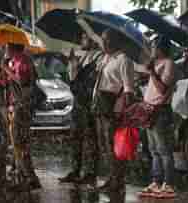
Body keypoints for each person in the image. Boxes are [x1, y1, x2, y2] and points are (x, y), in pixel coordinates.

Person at [0, 43, 41, 191]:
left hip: (21, 106)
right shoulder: (12, 61)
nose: (4, 49)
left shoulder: (23, 60)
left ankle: (30, 178)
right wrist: (2, 74)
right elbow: (6, 83)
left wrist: (6, 69)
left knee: (20, 142)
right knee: (17, 143)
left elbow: (21, 80)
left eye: (6, 46)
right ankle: (25, 175)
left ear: (13, 48)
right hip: (14, 105)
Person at [92, 28, 135, 195]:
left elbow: (128, 90)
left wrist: (123, 112)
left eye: (108, 39)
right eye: (103, 39)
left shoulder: (124, 60)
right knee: (105, 146)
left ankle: (118, 181)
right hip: (100, 107)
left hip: (113, 109)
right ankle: (112, 178)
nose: (104, 42)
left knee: (114, 147)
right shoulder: (105, 58)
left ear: (116, 41)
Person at [58, 32, 102, 185]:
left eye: (85, 37)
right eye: (82, 37)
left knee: (90, 140)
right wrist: (71, 65)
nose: (82, 40)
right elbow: (73, 80)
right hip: (77, 103)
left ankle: (90, 173)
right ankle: (75, 170)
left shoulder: (98, 58)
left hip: (88, 104)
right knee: (75, 138)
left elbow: (89, 84)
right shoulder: (83, 56)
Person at [137, 36, 177, 198]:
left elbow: (162, 89)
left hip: (160, 111)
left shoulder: (169, 64)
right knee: (153, 149)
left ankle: (168, 184)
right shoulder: (156, 64)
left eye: (154, 47)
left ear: (161, 48)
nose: (152, 50)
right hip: (149, 110)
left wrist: (152, 72)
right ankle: (157, 181)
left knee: (164, 149)